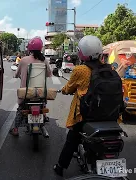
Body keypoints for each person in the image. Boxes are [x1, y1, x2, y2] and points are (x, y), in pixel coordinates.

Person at [53, 35, 123, 176]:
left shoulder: (80, 70)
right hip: (111, 115)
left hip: (87, 115)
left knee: (71, 139)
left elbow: (69, 88)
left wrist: (65, 90)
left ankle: (60, 167)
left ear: (82, 53)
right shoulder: (110, 70)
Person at [9, 37, 52, 136]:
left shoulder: (23, 60)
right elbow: (49, 74)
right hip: (41, 93)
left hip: (26, 93)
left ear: (30, 49)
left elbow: (16, 74)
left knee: (20, 109)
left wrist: (17, 75)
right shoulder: (44, 61)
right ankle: (43, 117)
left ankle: (15, 129)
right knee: (43, 105)